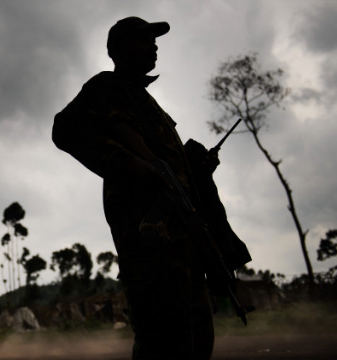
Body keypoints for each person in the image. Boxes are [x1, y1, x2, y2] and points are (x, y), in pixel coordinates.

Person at [52, 17, 218, 359]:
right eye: (144, 40)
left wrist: (196, 169)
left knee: (197, 342)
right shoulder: (106, 88)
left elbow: (169, 168)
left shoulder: (148, 104)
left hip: (183, 242)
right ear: (118, 49)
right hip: (149, 245)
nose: (154, 46)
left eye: (154, 41)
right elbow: (65, 129)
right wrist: (131, 165)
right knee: (163, 344)